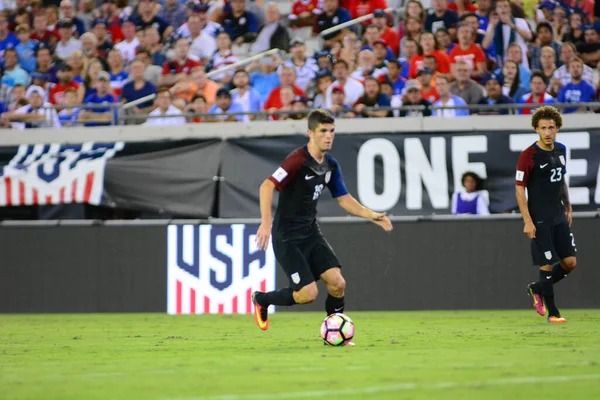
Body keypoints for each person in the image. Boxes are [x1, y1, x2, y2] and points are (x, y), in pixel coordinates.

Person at [252, 109, 393, 337]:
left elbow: (343, 199)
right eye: (323, 131)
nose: (329, 136)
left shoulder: (331, 165)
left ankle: (335, 335)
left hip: (310, 233)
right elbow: (266, 186)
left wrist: (370, 214)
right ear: (310, 133)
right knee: (308, 294)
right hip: (287, 237)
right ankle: (262, 299)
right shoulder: (297, 160)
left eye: (332, 131)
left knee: (338, 283)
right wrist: (265, 224)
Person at [516, 105, 576, 324]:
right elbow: (519, 188)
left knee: (570, 262)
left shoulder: (561, 150)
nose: (548, 132)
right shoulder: (528, 155)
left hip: (558, 215)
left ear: (557, 128)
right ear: (536, 130)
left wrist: (568, 206)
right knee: (547, 263)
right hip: (539, 218)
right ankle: (554, 313)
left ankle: (536, 288)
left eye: (551, 127)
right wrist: (527, 221)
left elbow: (561, 179)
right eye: (543, 128)